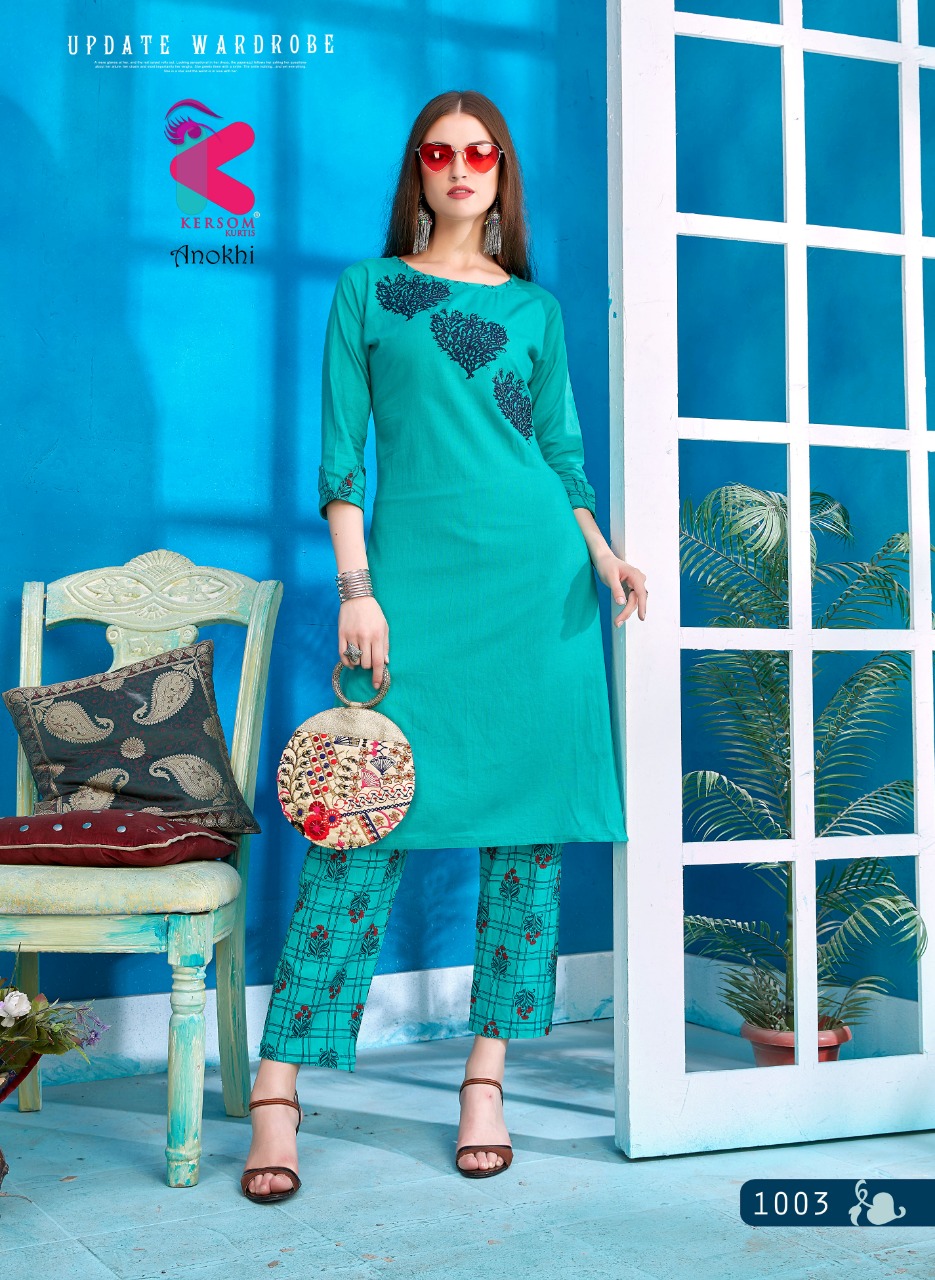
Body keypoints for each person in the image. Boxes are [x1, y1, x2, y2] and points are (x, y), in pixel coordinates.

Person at [240, 88, 648, 1203]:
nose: (460, 167)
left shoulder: (536, 310)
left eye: (480, 153)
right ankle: (277, 1089)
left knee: (525, 842)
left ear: (501, 172)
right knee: (356, 822)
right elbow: (340, 460)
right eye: (438, 151)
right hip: (415, 588)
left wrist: (603, 554)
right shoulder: (369, 291)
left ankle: (485, 1079)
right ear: (415, 170)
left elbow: (560, 453)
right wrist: (358, 590)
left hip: (536, 590)